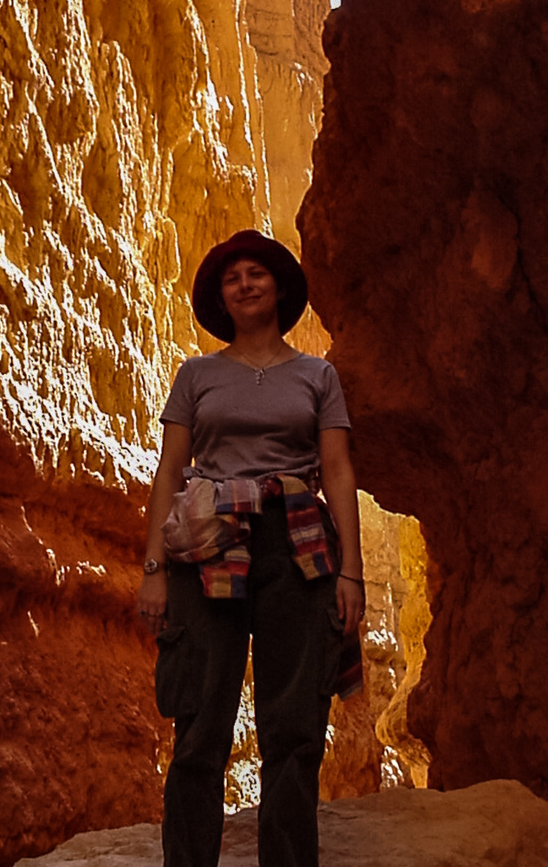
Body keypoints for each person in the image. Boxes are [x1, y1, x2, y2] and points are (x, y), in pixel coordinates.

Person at [137, 228, 364, 867]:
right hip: (210, 545)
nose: (244, 283)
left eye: (255, 273)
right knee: (200, 726)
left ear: (279, 287)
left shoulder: (318, 375)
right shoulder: (196, 375)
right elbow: (170, 469)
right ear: (221, 296)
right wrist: (153, 568)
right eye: (232, 276)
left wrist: (352, 571)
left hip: (297, 546)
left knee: (294, 733)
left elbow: (338, 469)